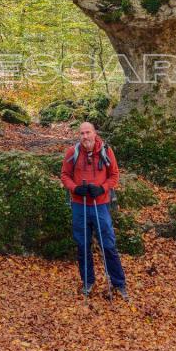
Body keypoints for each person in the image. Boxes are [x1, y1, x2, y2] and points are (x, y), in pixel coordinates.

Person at [60, 121, 128, 300]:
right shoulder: (72, 152)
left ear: (94, 133)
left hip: (100, 205)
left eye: (88, 132)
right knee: (82, 245)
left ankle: (119, 283)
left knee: (108, 244)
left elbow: (114, 175)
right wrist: (75, 188)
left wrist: (103, 188)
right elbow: (65, 175)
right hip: (79, 205)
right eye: (82, 133)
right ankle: (88, 282)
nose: (85, 136)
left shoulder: (106, 151)